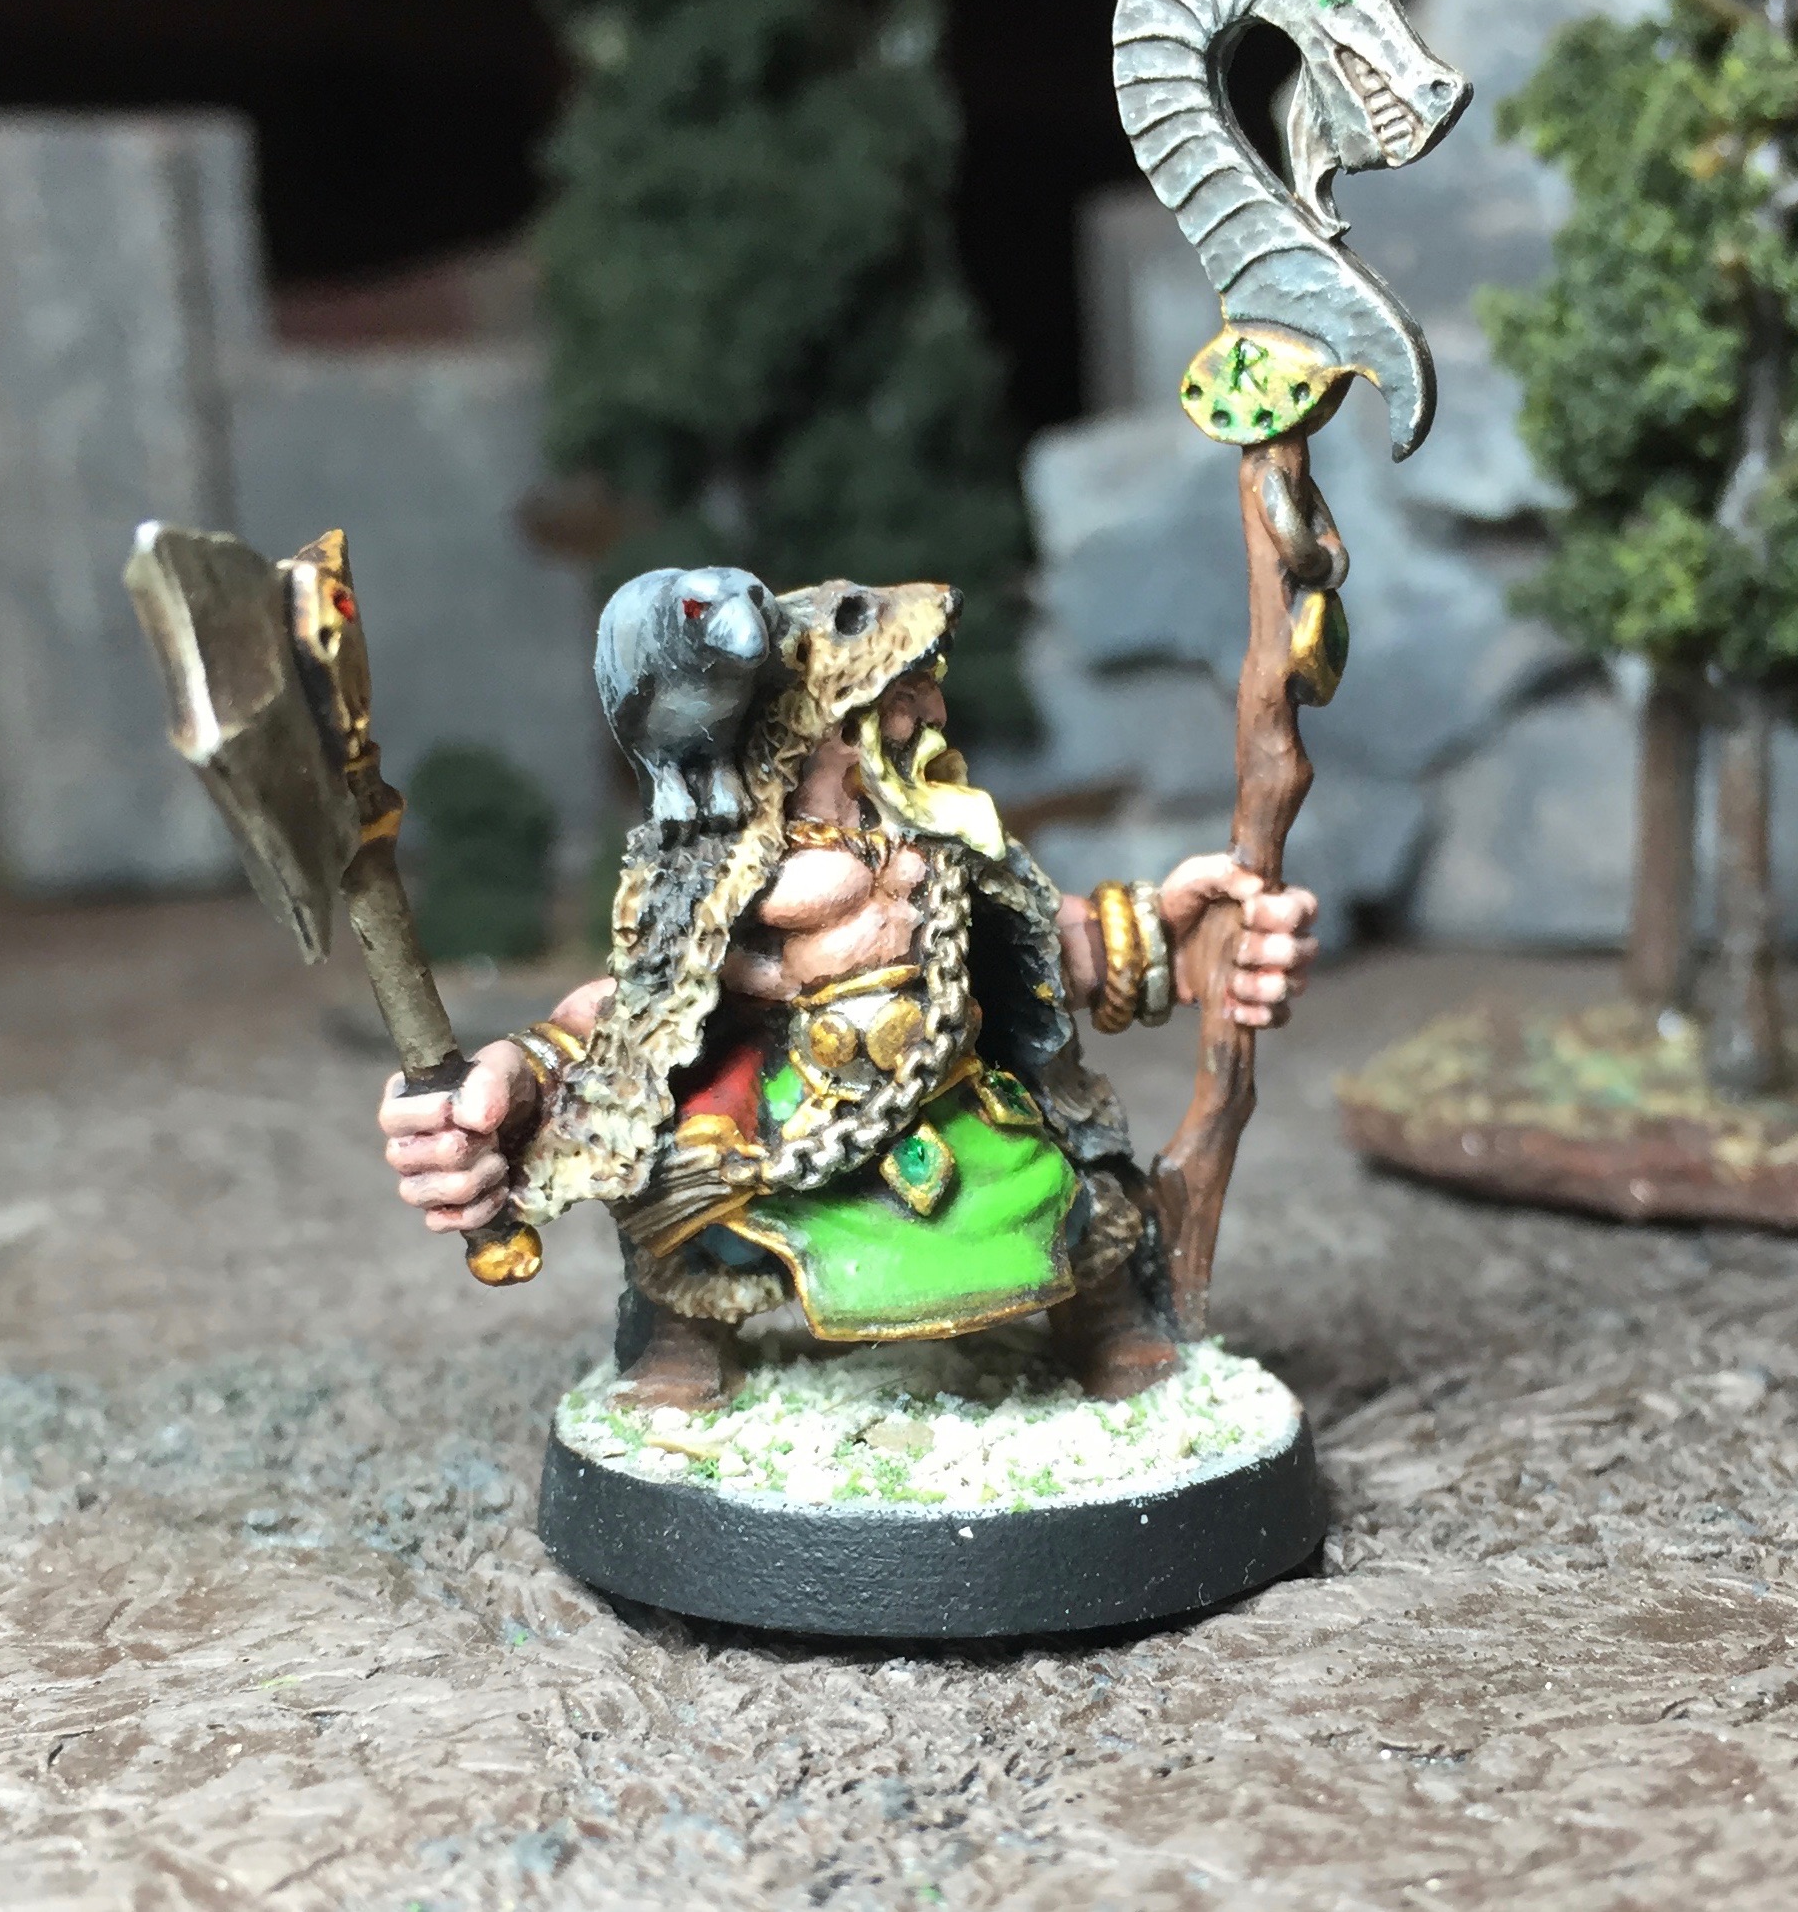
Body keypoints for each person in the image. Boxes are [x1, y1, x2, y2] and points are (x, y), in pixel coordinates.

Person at [378, 578, 1316, 1407]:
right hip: (795, 1109)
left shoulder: (940, 840)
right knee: (689, 1202)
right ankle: (680, 1341)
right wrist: (521, 1079)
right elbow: (634, 1005)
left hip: (943, 1094)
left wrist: (1180, 939)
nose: (929, 714)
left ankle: (1101, 1317)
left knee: (1067, 1193)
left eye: (926, 693)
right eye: (904, 698)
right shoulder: (734, 872)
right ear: (828, 719)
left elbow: (1043, 940)